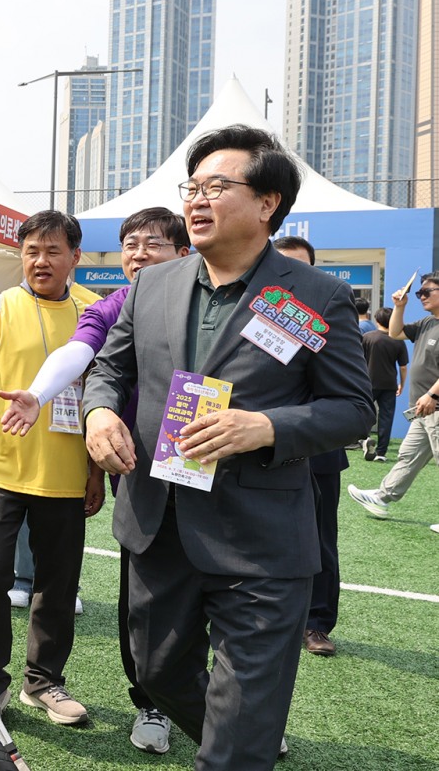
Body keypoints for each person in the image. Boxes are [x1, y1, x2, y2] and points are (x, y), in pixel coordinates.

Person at [82, 124, 372, 770]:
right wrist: (99, 412)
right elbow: (110, 367)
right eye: (192, 186)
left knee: (237, 740)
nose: (197, 200)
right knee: (155, 672)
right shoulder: (152, 285)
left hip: (260, 543)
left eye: (217, 185)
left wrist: (264, 427)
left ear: (268, 202)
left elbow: (355, 408)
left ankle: (239, 743)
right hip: (159, 526)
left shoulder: (314, 296)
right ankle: (241, 734)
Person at [0, 205, 190, 755]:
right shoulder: (115, 306)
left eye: (152, 243)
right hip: (143, 466)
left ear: (184, 253)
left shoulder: (217, 300)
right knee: (146, 597)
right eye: (129, 244)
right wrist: (39, 391)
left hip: (219, 466)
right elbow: (80, 351)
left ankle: (240, 715)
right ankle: (151, 702)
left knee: (222, 598)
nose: (138, 253)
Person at [0, 211, 103, 727]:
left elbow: (102, 396)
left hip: (66, 474)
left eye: (53, 251)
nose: (41, 261)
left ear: (75, 258)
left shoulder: (96, 311)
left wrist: (96, 472)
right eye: (32, 251)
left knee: (59, 584)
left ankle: (43, 682)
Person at [271, 235, 345, 658]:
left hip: (316, 449)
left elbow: (347, 395)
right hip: (253, 449)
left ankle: (316, 623)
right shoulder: (255, 311)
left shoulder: (328, 313)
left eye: (299, 267)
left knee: (319, 539)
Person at [348, 273, 439, 534]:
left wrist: (432, 395)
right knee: (408, 457)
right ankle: (382, 497)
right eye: (419, 293)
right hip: (423, 409)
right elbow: (396, 332)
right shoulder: (426, 322)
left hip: (434, 405)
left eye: (426, 292)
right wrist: (399, 307)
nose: (421, 297)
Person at [361, 307, 408, 461]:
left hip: (368, 382)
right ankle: (381, 453)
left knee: (365, 412)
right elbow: (402, 366)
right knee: (386, 417)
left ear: (377, 320)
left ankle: (365, 439)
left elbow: (359, 360)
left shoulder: (367, 337)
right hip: (389, 384)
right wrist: (402, 383)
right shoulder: (398, 340)